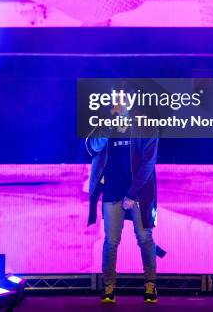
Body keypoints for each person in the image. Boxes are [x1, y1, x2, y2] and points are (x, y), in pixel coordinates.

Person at [86, 99, 159, 304]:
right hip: (111, 192)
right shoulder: (107, 124)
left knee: (145, 238)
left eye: (125, 101)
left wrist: (132, 194)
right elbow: (92, 147)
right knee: (111, 241)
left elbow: (148, 163)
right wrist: (109, 123)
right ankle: (109, 287)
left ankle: (150, 285)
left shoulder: (146, 127)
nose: (121, 105)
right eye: (117, 102)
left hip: (140, 194)